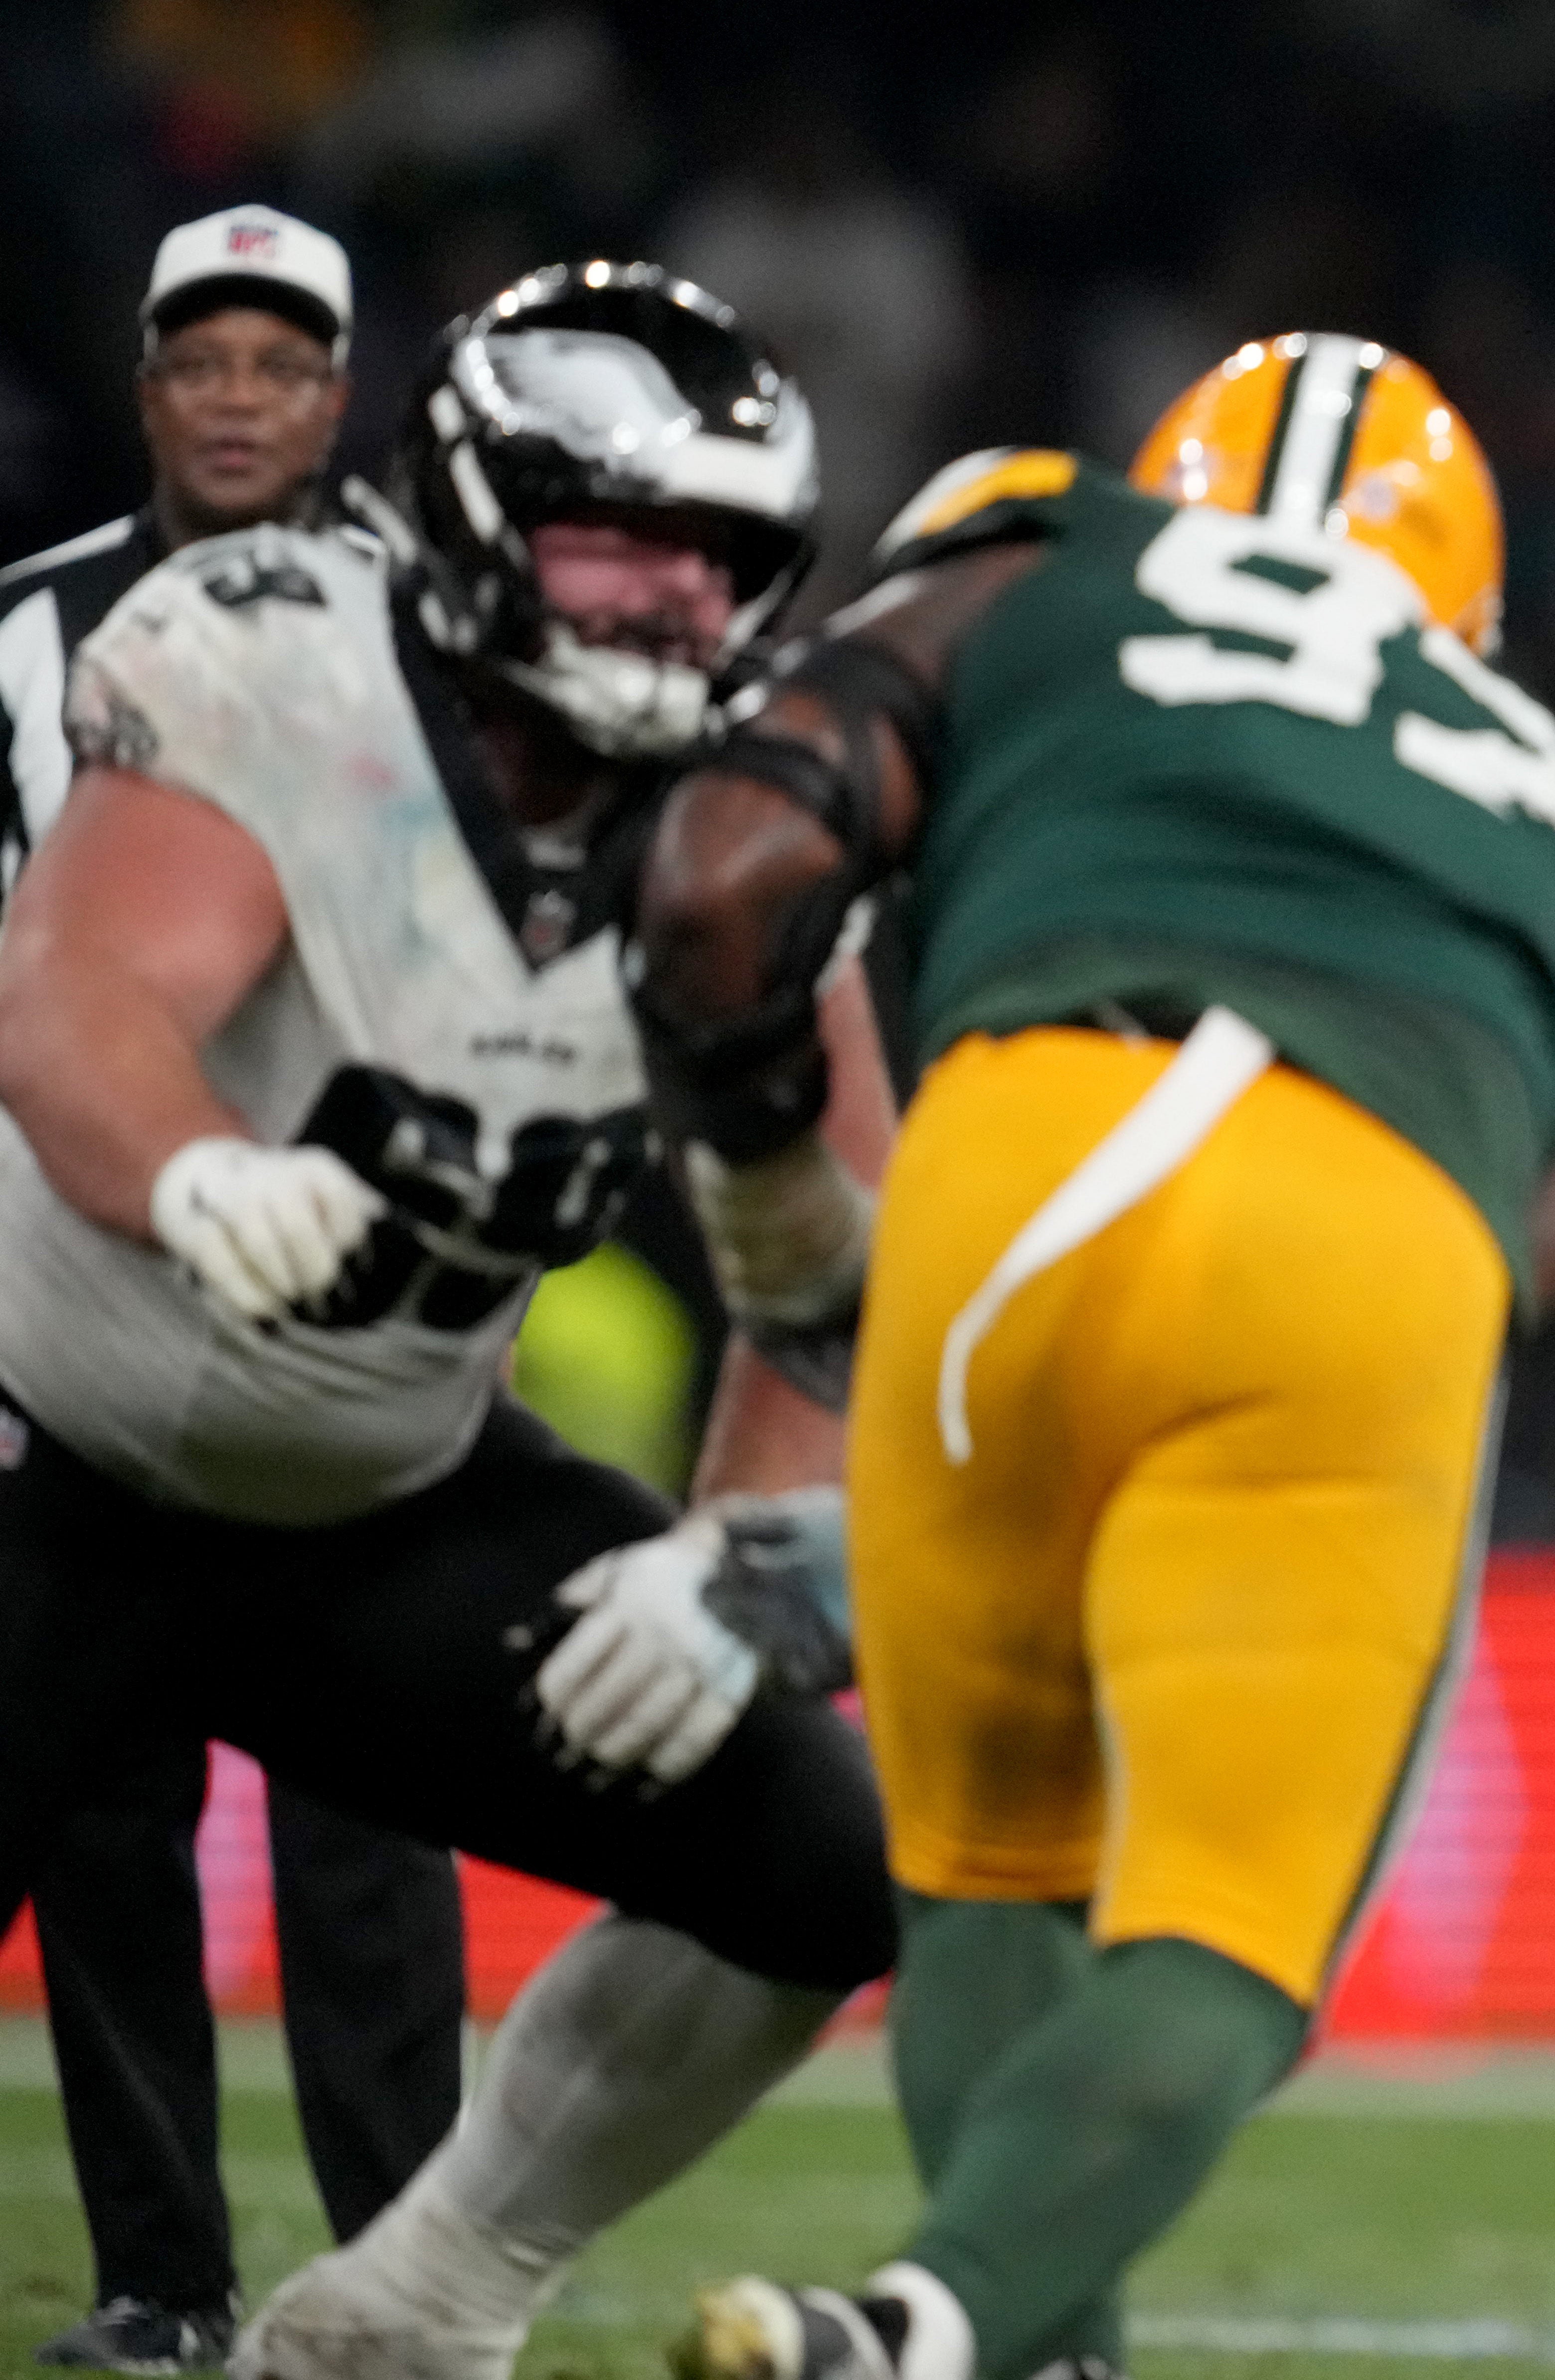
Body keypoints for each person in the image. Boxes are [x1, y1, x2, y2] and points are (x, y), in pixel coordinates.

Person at [634, 334, 1555, 2380]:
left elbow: (728, 869)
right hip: (1360, 1220)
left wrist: (765, 1199)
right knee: (1234, 1926)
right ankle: (924, 2326)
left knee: (981, 1870)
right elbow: (1528, 1254)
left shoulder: (1046, 555)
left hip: (1001, 1160)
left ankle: (1012, 2350)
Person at [0, 261, 896, 2380]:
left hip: (377, 1511)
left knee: (820, 1863)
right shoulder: (278, 655)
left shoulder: (753, 823)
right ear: (486, 519)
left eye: (720, 560)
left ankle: (426, 2294)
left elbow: (839, 1267)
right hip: (50, 1466)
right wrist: (200, 1171)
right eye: (622, 540)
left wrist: (741, 1555)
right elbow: (76, 997)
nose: (674, 602)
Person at [0, 202, 470, 2377]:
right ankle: (163, 2281)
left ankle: (404, 2280)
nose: (241, 399)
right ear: (148, 385)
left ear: (340, 395)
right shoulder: (22, 635)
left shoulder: (442, 625)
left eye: (282, 365)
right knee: (105, 1811)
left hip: (350, 1306)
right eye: (205, 361)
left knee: (372, 1818)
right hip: (79, 1307)